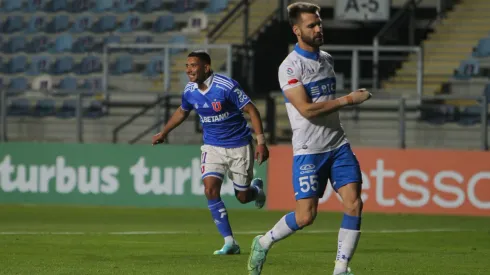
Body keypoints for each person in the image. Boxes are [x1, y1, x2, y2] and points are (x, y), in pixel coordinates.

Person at [247, 2, 372, 275]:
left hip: (338, 145)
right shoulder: (290, 67)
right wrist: (349, 99)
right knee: (306, 216)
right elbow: (307, 110)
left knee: (354, 203)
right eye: (311, 25)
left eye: (319, 23)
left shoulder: (327, 59)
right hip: (309, 150)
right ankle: (264, 241)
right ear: (297, 30)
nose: (318, 28)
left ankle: (341, 268)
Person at [152, 50, 269, 255]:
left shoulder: (226, 86)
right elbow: (182, 111)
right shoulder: (190, 90)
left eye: (193, 65)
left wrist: (261, 142)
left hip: (238, 145)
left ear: (206, 67)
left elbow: (252, 110)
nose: (189, 70)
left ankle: (256, 191)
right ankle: (230, 242)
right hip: (212, 146)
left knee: (242, 197)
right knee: (210, 190)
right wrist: (164, 132)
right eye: (187, 66)